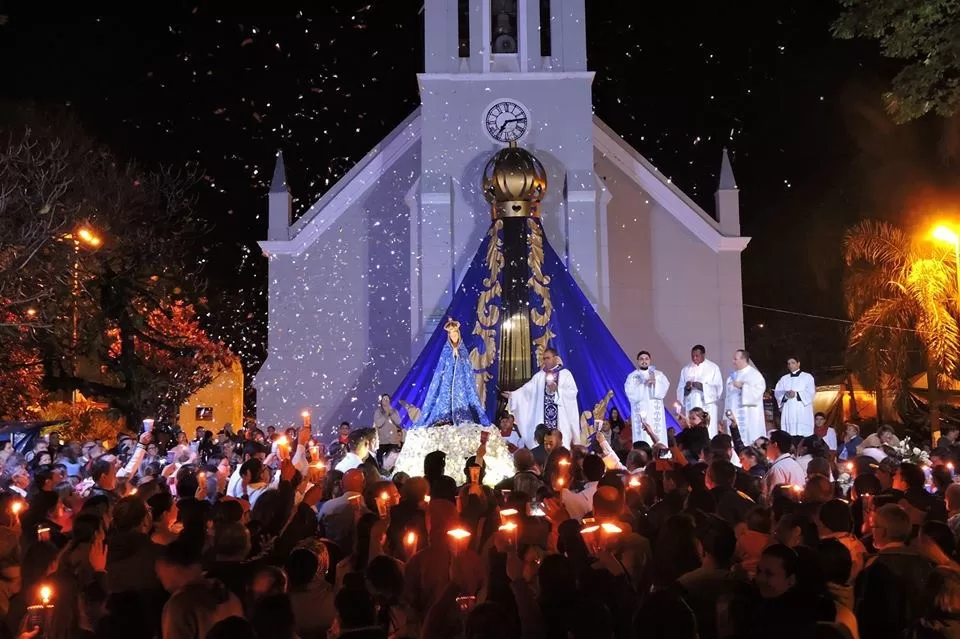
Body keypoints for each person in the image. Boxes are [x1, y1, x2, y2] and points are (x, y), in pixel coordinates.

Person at [412, 318, 491, 428]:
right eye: (451, 334)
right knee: (444, 401)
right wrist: (452, 356)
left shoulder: (463, 349)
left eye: (455, 334)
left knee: (463, 404)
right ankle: (444, 420)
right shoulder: (446, 350)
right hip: (447, 382)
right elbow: (442, 366)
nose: (454, 336)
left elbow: (467, 366)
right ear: (449, 336)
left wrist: (458, 357)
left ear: (458, 334)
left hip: (460, 384)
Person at [505, 347, 579, 448]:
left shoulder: (566, 374)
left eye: (548, 358)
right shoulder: (539, 376)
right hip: (542, 420)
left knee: (561, 447)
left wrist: (557, 390)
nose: (545, 361)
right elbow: (526, 391)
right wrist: (513, 395)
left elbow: (572, 393)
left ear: (555, 358)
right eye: (544, 358)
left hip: (561, 420)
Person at [624, 350, 670, 447]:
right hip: (641, 409)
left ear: (650, 360)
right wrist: (643, 384)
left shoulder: (658, 374)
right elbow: (631, 393)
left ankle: (660, 452)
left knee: (657, 433)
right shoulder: (632, 376)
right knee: (642, 435)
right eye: (641, 359)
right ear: (638, 361)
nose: (644, 361)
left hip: (655, 411)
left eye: (646, 359)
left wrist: (655, 384)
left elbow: (663, 389)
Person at [677, 345, 723, 437]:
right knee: (691, 434)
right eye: (692, 356)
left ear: (703, 355)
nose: (694, 358)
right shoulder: (686, 369)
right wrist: (686, 389)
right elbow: (680, 389)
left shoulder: (713, 368)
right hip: (691, 405)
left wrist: (702, 387)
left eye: (697, 356)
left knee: (707, 433)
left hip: (706, 406)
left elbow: (718, 388)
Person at [724, 349, 767, 444]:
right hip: (734, 416)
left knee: (749, 441)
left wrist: (743, 386)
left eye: (735, 359)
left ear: (744, 360)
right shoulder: (732, 377)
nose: (733, 361)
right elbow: (728, 399)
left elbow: (758, 392)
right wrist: (726, 416)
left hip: (749, 416)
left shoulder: (754, 375)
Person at [774, 357, 816, 436]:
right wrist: (785, 395)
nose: (790, 365)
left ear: (798, 363)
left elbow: (811, 392)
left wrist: (796, 394)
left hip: (802, 411)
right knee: (789, 435)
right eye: (789, 363)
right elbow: (778, 393)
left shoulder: (807, 377)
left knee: (803, 435)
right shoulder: (784, 379)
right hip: (788, 410)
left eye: (793, 363)